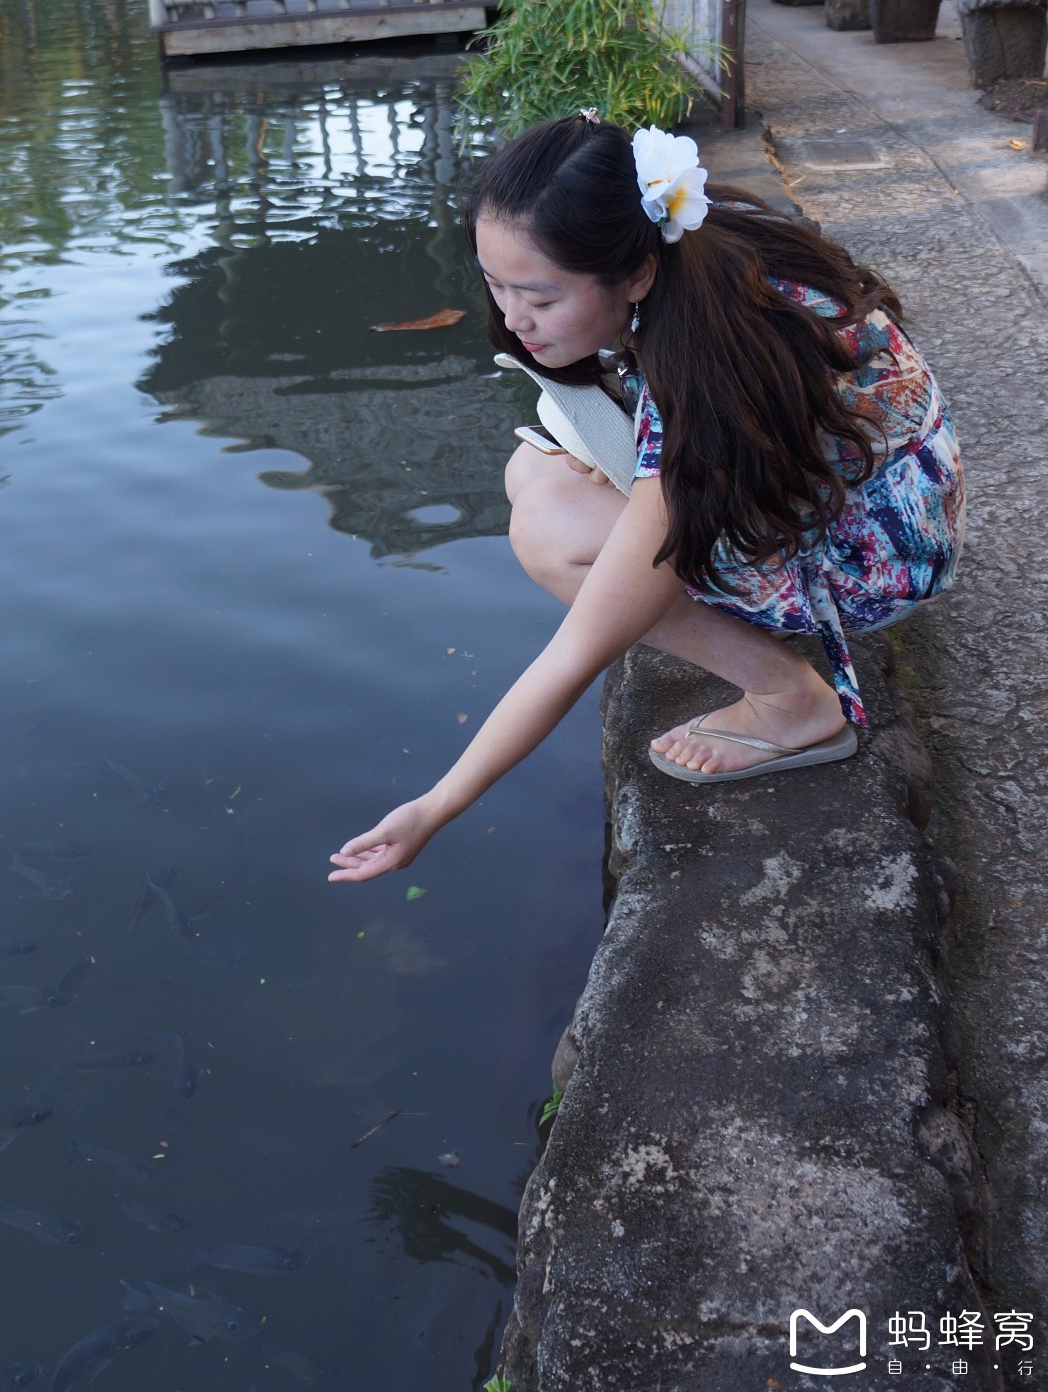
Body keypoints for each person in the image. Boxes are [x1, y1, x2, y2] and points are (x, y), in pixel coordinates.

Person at [328, 116, 965, 882]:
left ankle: (794, 701)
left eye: (537, 295)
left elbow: (573, 655)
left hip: (877, 559)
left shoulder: (709, 390)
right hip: (882, 489)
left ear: (631, 275)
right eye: (494, 284)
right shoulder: (693, 253)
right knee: (532, 474)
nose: (513, 317)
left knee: (552, 536)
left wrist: (436, 805)